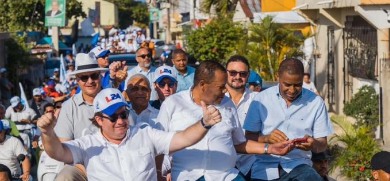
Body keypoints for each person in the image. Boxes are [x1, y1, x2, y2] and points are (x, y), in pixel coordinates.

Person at [40, 88, 239, 181]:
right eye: (113, 117)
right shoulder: (88, 143)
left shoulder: (145, 133)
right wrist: (47, 132)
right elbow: (58, 152)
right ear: (99, 120)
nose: (120, 121)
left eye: (124, 114)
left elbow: (183, 138)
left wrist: (204, 123)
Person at [156, 60, 294, 181]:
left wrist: (270, 148)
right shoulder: (172, 104)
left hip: (228, 176)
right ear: (203, 85)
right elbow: (158, 147)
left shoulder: (227, 104)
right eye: (221, 87)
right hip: (189, 176)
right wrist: (160, 176)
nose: (225, 91)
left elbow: (239, 143)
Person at [244, 58, 333, 181]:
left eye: (297, 85)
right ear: (278, 78)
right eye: (287, 84)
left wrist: (313, 144)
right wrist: (266, 139)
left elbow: (322, 144)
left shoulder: (316, 102)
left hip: (299, 165)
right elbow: (248, 138)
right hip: (265, 166)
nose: (292, 90)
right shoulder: (260, 100)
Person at [53, 53, 110, 180]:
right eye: (84, 77)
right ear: (77, 80)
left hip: (114, 161)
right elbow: (65, 146)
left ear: (100, 76)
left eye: (94, 76)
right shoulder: (69, 106)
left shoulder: (112, 98)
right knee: (64, 177)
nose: (90, 81)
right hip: (82, 166)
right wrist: (87, 170)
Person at [225, 55, 259, 179]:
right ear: (226, 73)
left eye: (242, 74)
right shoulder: (215, 99)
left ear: (248, 75)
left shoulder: (258, 100)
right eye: (233, 73)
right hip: (221, 166)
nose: (237, 77)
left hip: (251, 163)